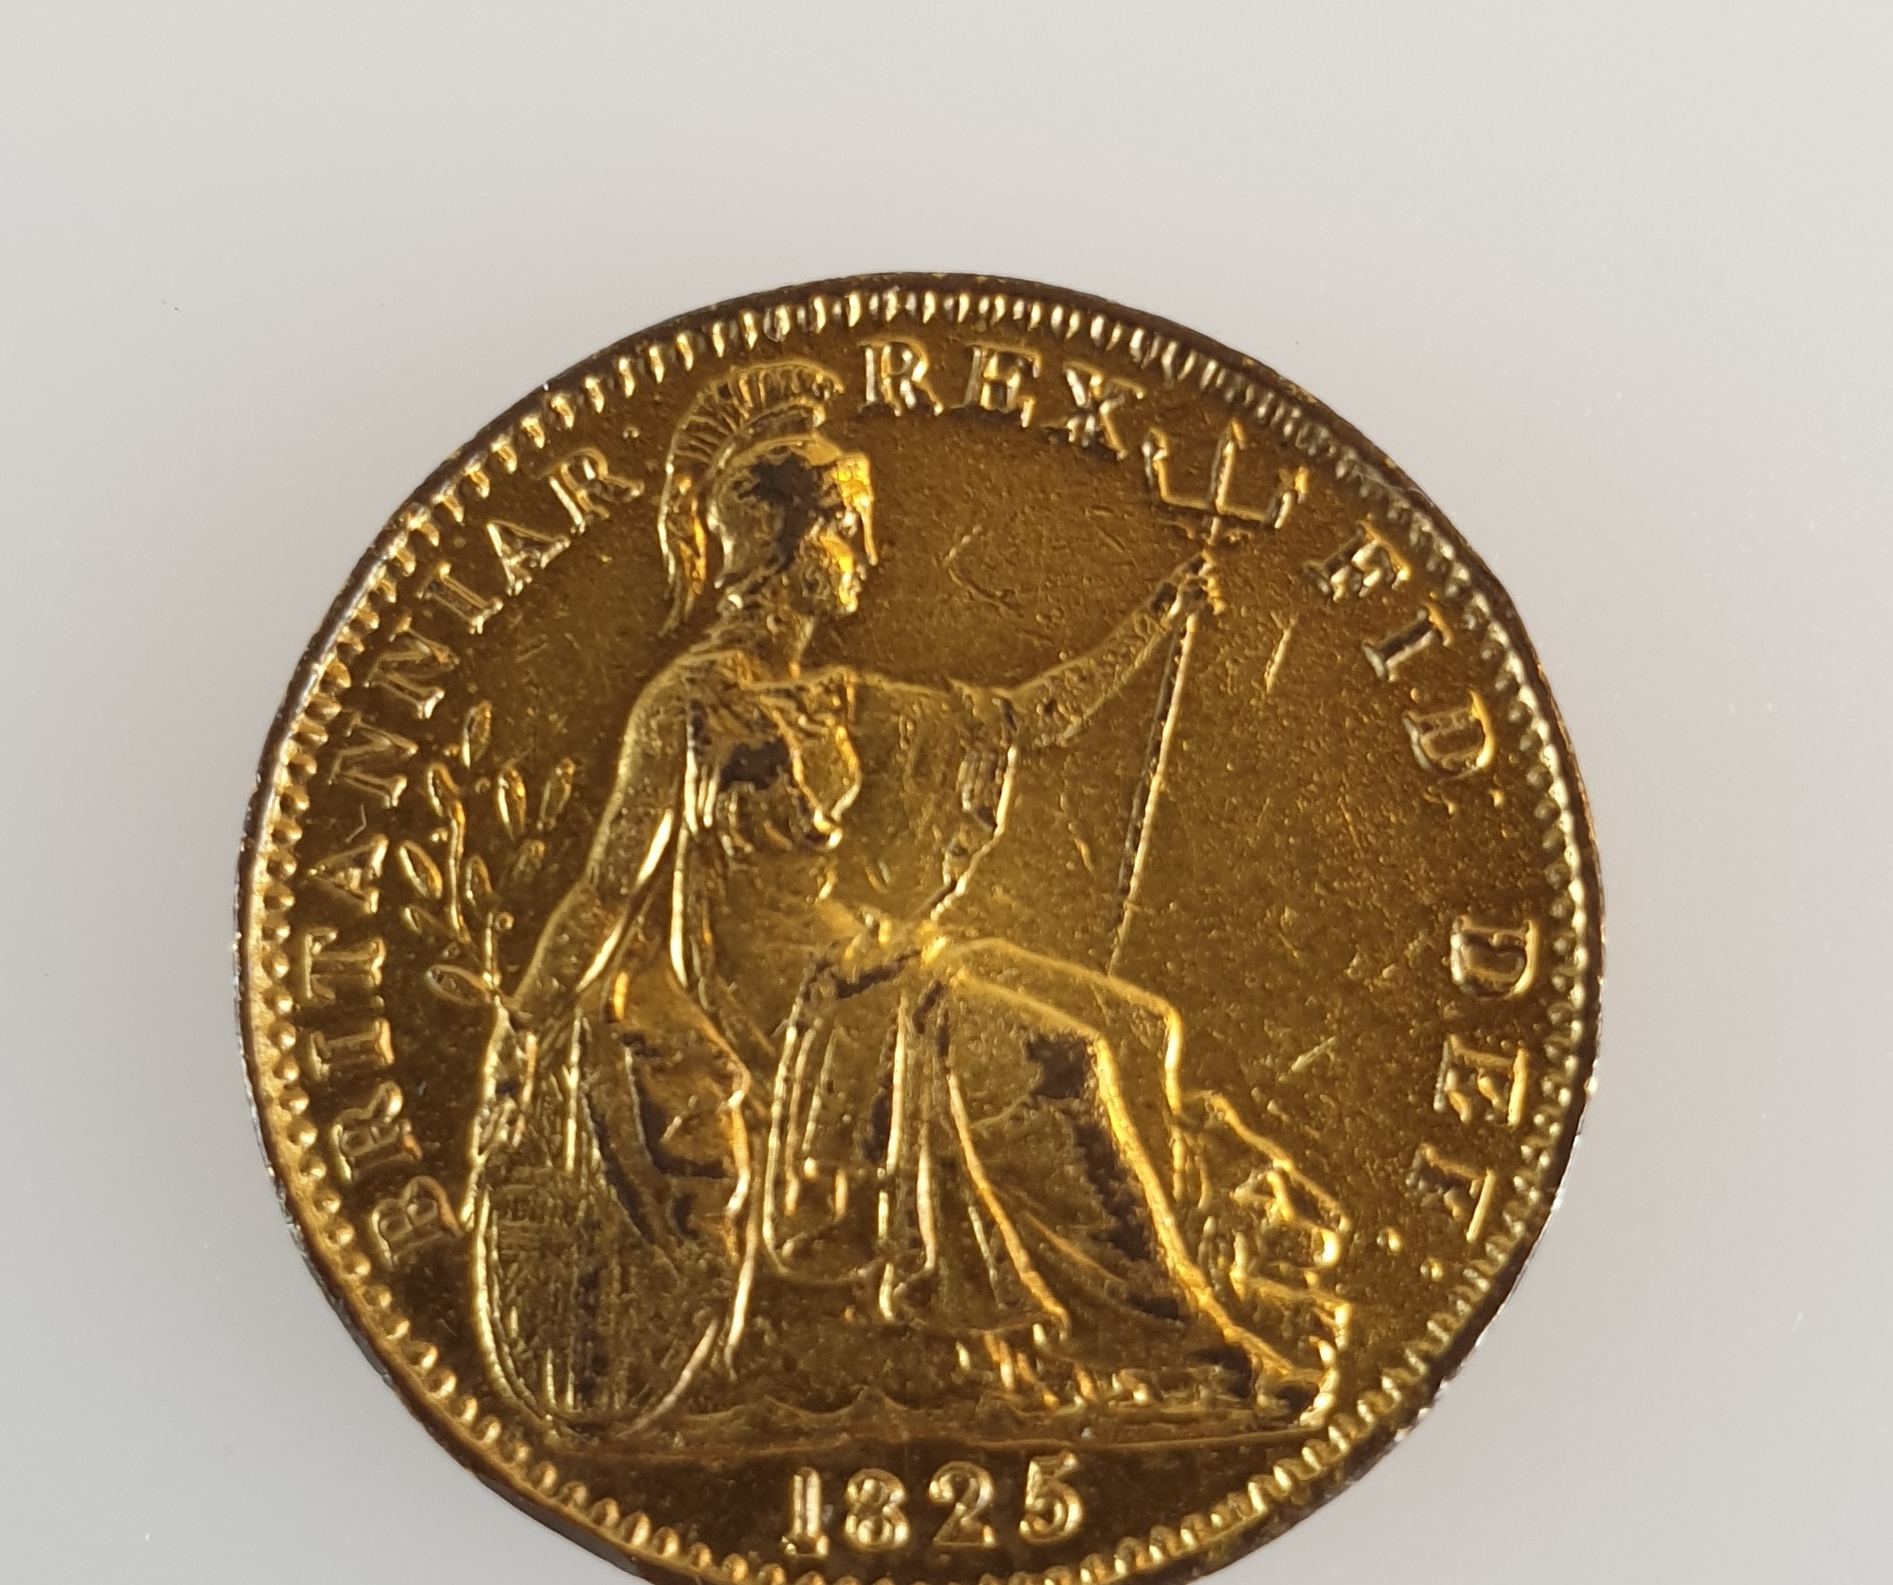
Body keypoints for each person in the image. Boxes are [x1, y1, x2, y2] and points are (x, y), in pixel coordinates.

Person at [469, 357, 1345, 1437]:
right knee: (1065, 1061)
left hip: (864, 956)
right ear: (779, 544)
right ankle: (1192, 1346)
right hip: (785, 996)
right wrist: (521, 1028)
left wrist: (1159, 619)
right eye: (847, 527)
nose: (868, 555)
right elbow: (609, 888)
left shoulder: (837, 697)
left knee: (1136, 1025)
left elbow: (1028, 717)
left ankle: (1163, 1292)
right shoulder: (688, 708)